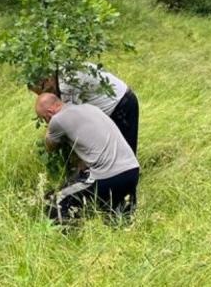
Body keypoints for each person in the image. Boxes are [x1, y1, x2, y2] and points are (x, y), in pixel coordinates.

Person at [36, 93, 140, 224]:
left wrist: (48, 129)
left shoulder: (57, 120)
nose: (46, 122)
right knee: (118, 221)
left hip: (108, 176)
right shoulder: (90, 108)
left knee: (55, 200)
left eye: (44, 118)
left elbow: (49, 146)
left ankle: (67, 239)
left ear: (50, 112)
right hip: (132, 171)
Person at [30, 64, 139, 154]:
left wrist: (51, 136)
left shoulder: (68, 84)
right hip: (112, 104)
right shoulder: (61, 71)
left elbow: (72, 123)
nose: (48, 94)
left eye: (46, 91)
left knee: (126, 156)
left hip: (120, 104)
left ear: (47, 80)